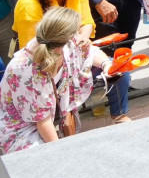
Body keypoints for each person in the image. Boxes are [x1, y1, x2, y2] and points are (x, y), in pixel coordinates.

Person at [10, 0, 131, 120]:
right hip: (43, 65)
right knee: (49, 116)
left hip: (75, 55)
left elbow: (87, 22)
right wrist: (72, 50)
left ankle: (119, 115)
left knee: (118, 71)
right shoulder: (29, 4)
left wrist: (83, 37)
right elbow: (35, 52)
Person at [0, 8, 114, 154]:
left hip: (47, 117)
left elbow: (90, 52)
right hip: (20, 130)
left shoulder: (61, 42)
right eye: (77, 31)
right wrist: (60, 152)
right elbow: (42, 121)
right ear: (66, 37)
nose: (79, 34)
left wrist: (106, 64)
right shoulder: (24, 69)